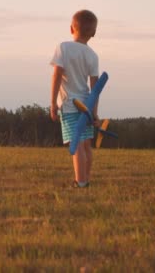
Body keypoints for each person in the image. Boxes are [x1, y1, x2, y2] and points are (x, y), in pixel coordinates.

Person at [50, 10, 100, 188]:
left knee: (77, 144)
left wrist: (53, 103)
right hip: (85, 105)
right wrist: (94, 112)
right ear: (93, 33)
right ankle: (86, 179)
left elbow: (57, 75)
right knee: (86, 144)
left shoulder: (63, 48)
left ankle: (80, 182)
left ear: (71, 28)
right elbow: (95, 88)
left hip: (70, 105)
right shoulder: (93, 56)